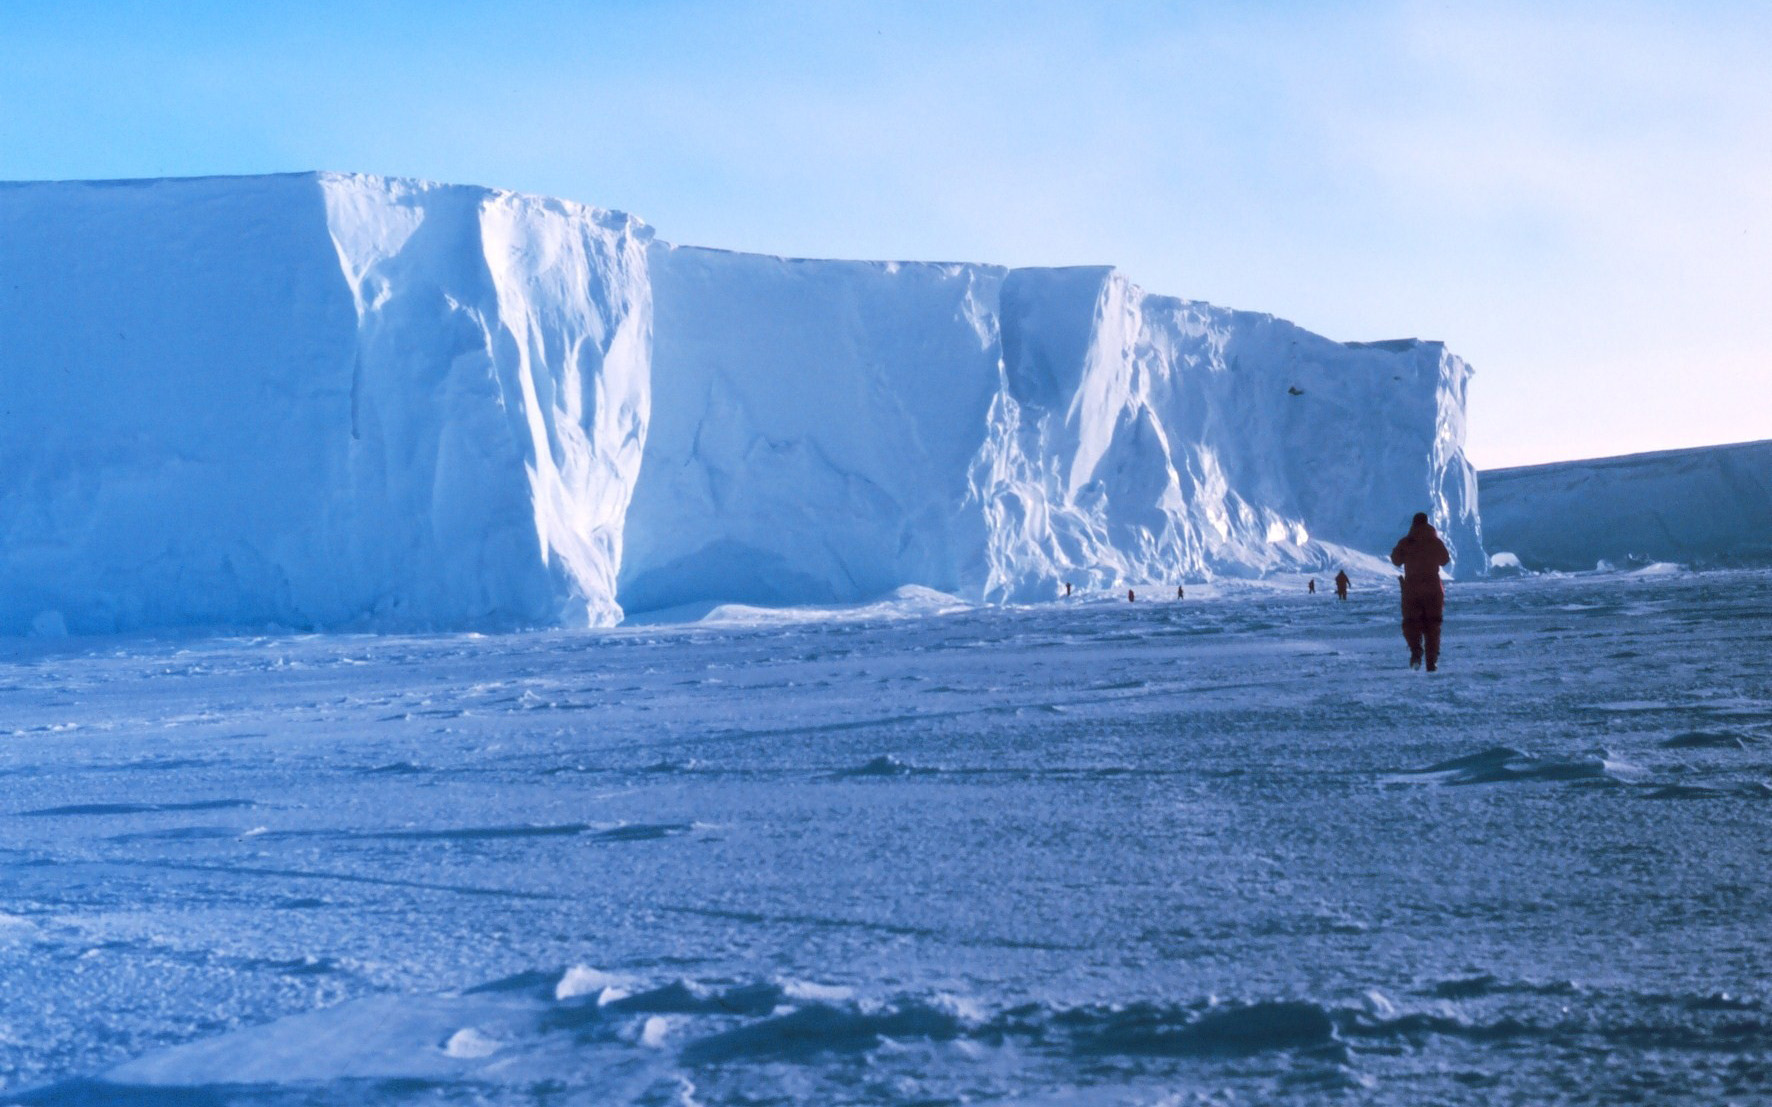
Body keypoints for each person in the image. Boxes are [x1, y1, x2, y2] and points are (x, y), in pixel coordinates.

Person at [1390, 512, 1451, 671]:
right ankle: (1432, 662)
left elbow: (1396, 560)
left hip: (1412, 589)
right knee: (1433, 625)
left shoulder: (1407, 542)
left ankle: (1416, 652)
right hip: (1433, 588)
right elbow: (1445, 560)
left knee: (1411, 622)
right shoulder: (1435, 541)